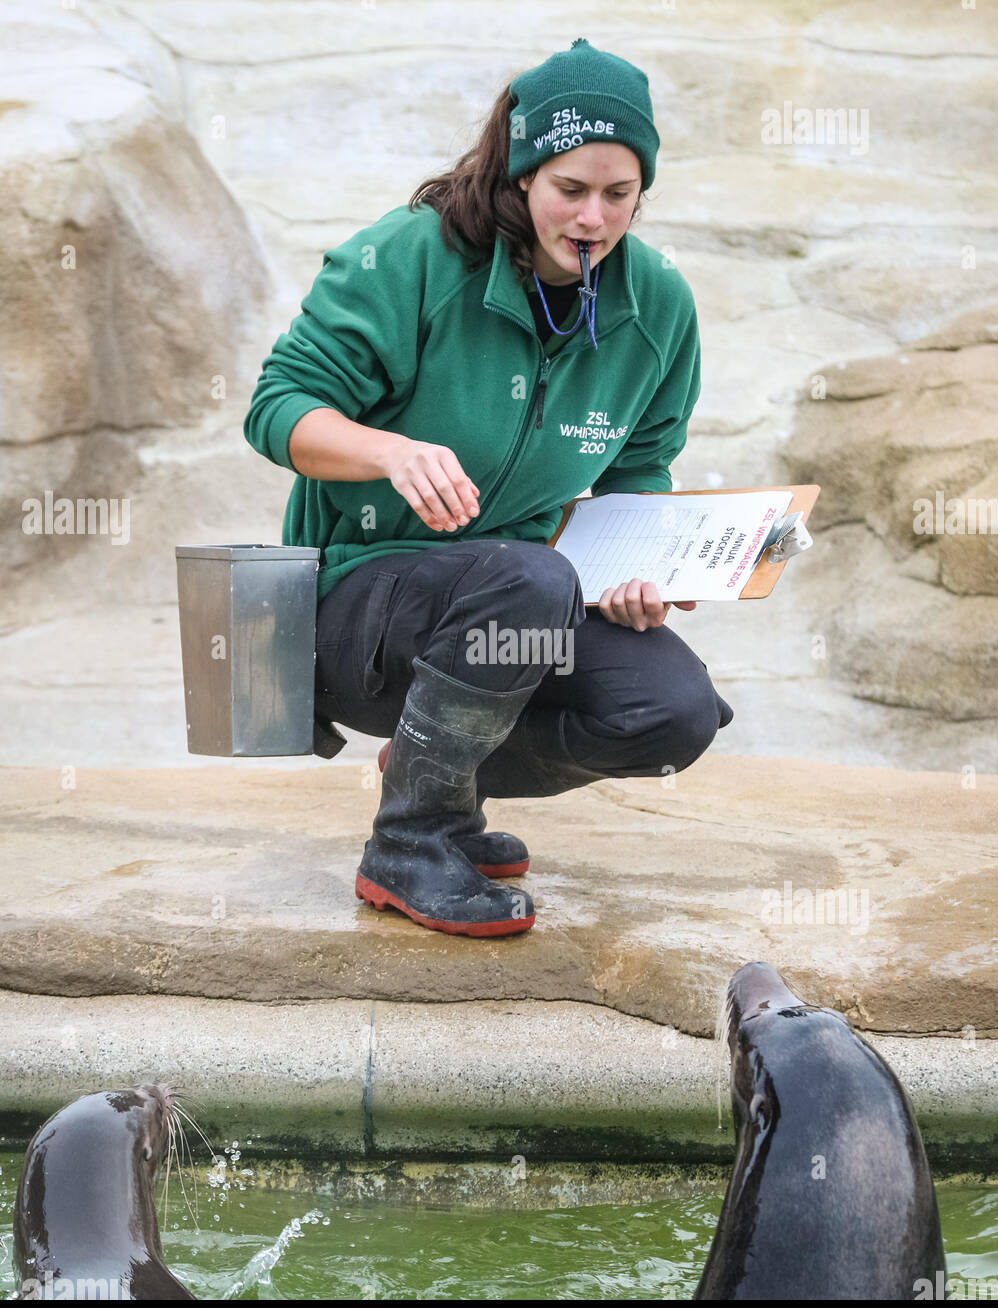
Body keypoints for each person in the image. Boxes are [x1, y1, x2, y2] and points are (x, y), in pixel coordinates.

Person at [243, 38, 734, 940]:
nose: (593, 217)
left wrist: (636, 567)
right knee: (532, 576)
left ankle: (434, 769)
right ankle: (409, 842)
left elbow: (638, 466)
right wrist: (388, 451)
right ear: (519, 174)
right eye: (569, 189)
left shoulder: (657, 303)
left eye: (618, 194)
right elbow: (278, 410)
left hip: (514, 604)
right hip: (354, 603)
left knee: (673, 710)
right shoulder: (410, 258)